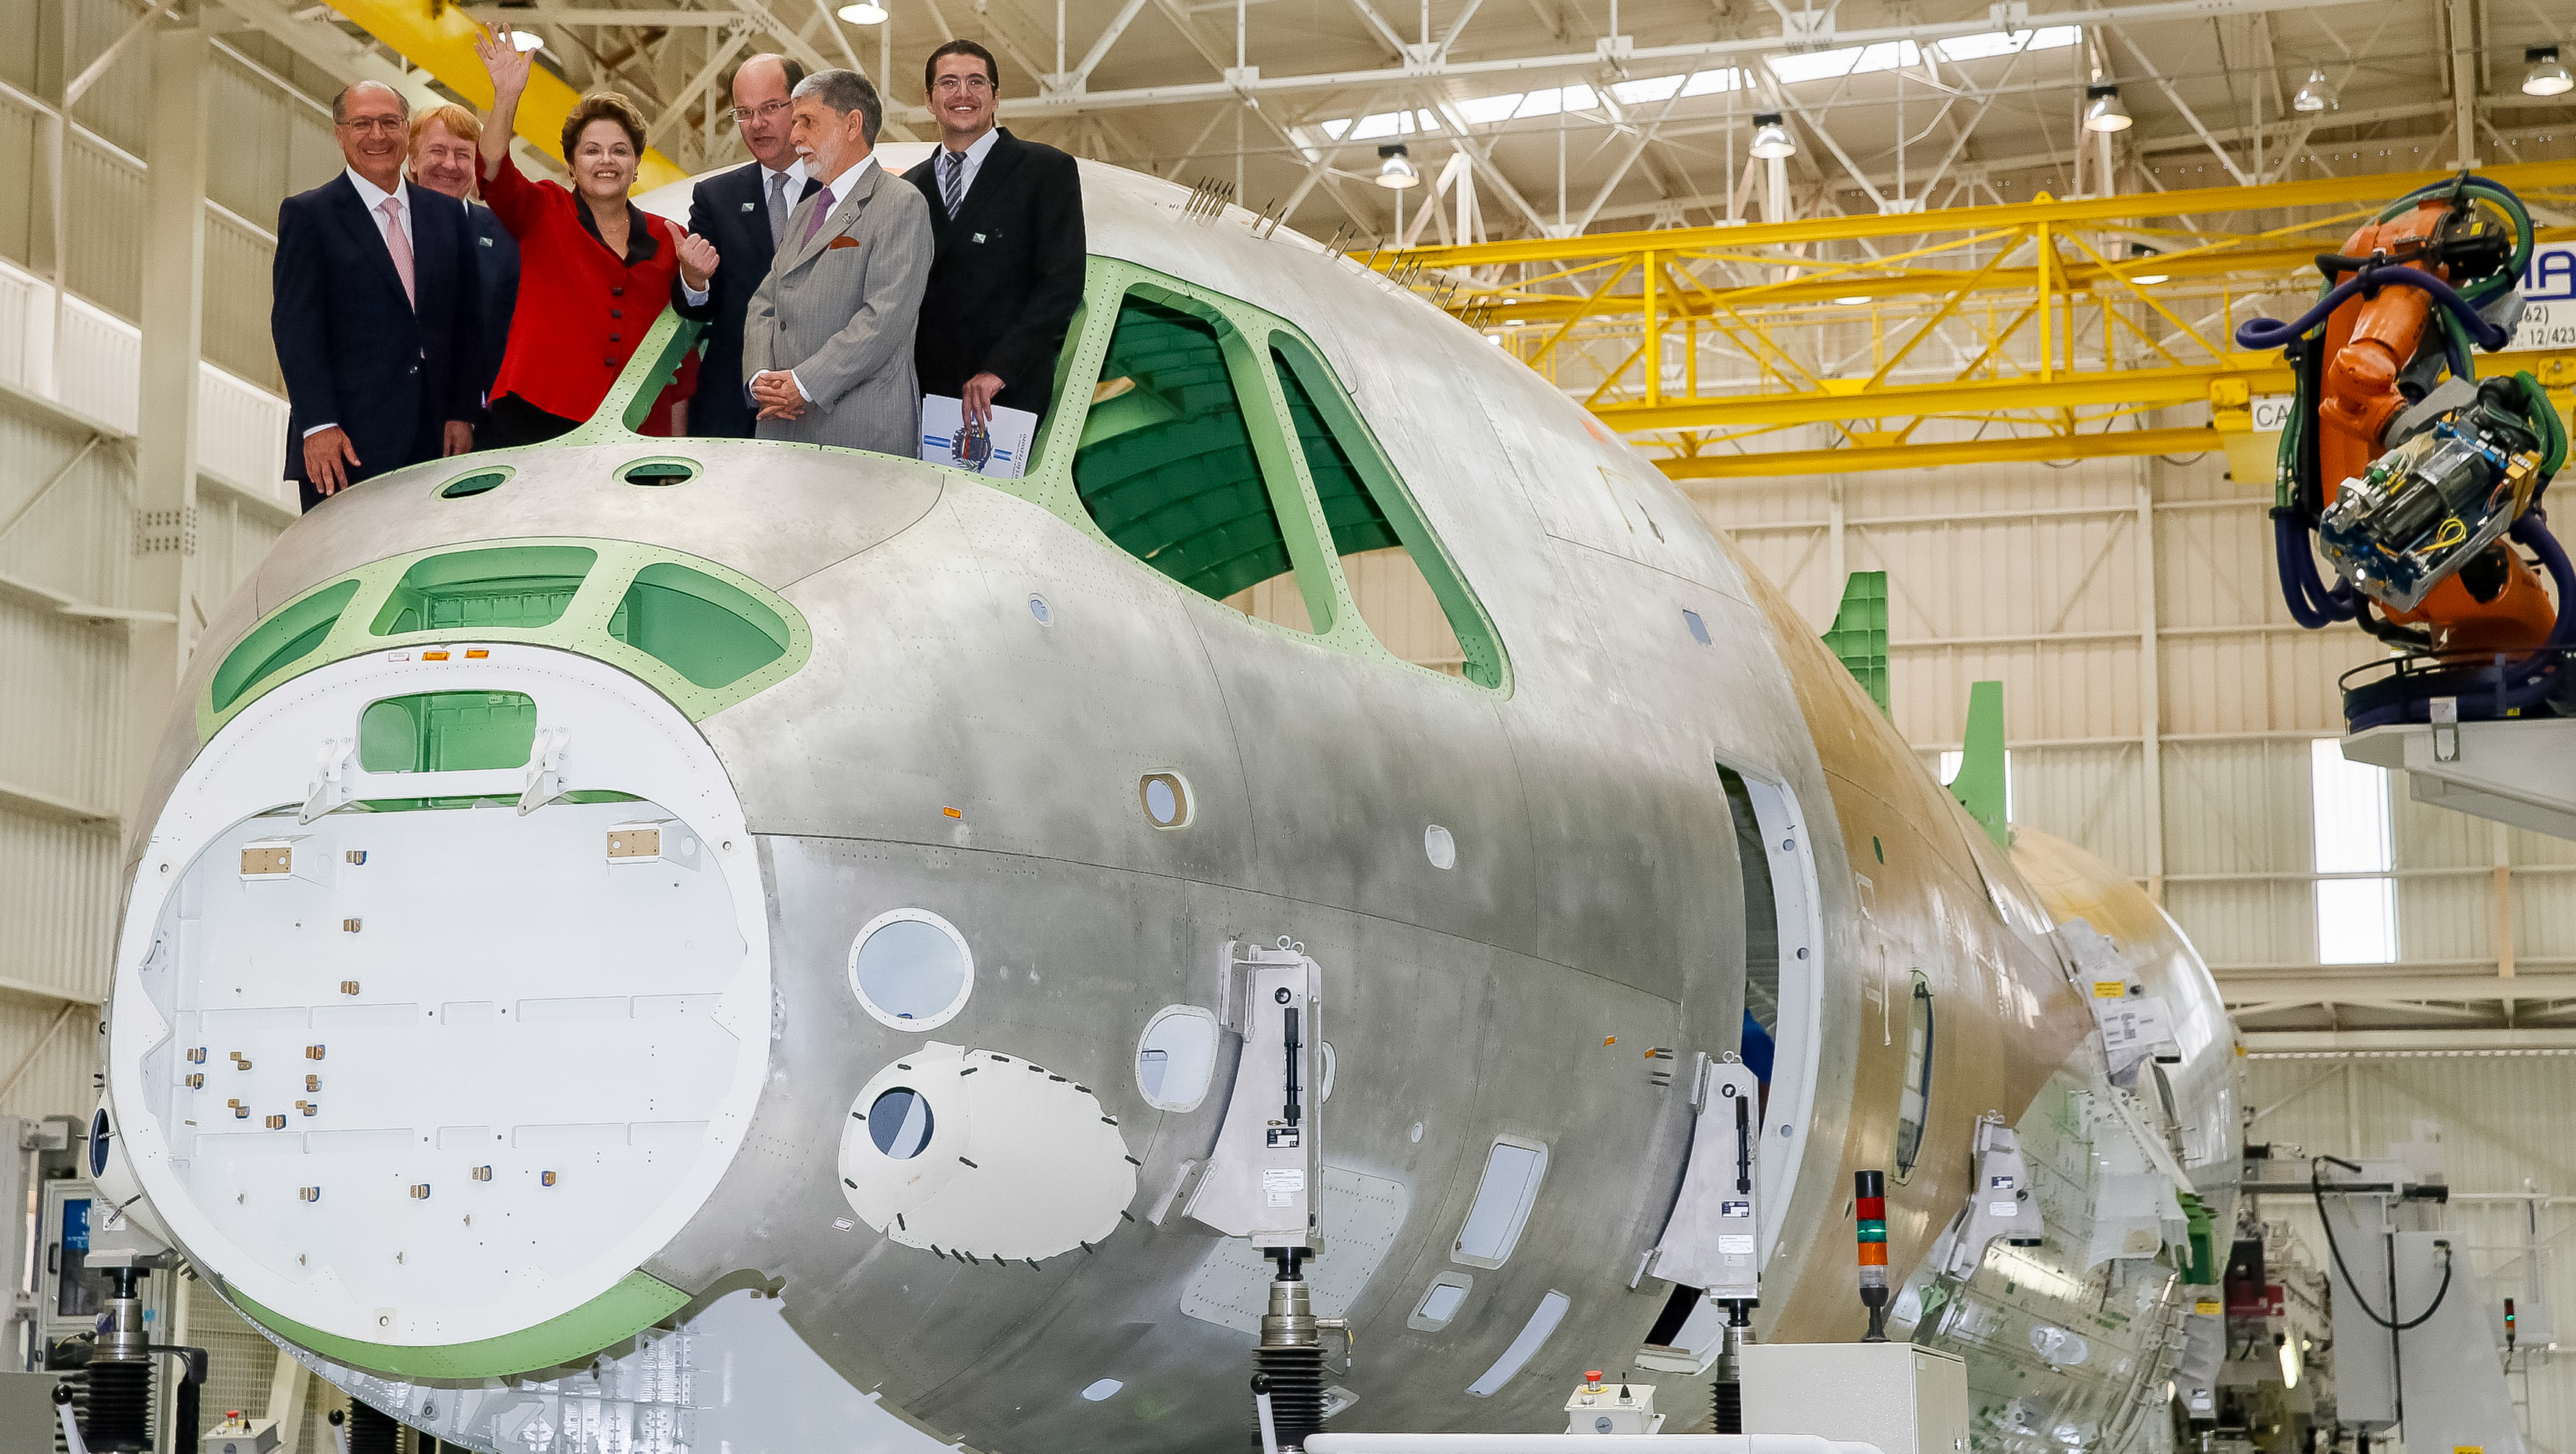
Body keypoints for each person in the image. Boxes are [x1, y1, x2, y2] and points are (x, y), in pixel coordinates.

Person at [470, 27, 718, 445]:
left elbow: (681, 354)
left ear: (636, 165)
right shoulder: (543, 209)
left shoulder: (668, 235)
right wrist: (507, 98)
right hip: (538, 414)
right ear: (571, 165)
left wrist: (695, 282)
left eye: (620, 151)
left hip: (634, 429)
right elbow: (492, 173)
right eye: (592, 150)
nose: (607, 160)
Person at [271, 79, 482, 512]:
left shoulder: (447, 215)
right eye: (362, 124)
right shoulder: (309, 215)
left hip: (437, 443)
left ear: (407, 130)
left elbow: (467, 322)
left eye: (389, 122)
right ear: (339, 132)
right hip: (346, 447)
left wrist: (462, 411)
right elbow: (296, 329)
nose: (378, 136)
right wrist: (319, 425)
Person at [742, 68, 934, 455]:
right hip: (783, 426)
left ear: (852, 124)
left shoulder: (902, 203)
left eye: (807, 122)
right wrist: (762, 378)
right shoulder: (805, 211)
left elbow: (883, 318)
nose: (794, 135)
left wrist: (805, 384)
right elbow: (765, 302)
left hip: (858, 433)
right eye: (795, 122)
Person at [900, 40, 1084, 427]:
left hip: (1004, 397)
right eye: (948, 83)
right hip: (920, 397)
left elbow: (1061, 284)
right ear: (929, 100)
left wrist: (1000, 370)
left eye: (976, 82)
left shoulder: (1046, 172)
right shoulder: (908, 188)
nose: (963, 94)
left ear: (996, 96)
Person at [684, 54, 819, 439]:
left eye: (770, 108)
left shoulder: (839, 191)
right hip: (733, 405)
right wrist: (695, 281)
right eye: (743, 112)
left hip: (818, 400)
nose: (756, 124)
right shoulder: (715, 196)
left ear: (801, 106)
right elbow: (702, 308)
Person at [406, 103, 517, 423]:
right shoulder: (380, 225)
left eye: (463, 155)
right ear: (413, 159)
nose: (450, 165)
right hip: (393, 420)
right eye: (437, 151)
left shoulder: (508, 238)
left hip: (480, 427)